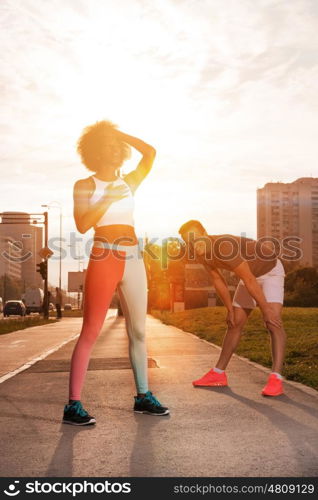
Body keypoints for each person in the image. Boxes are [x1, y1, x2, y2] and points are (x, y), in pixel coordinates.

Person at [63, 120, 169, 426]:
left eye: (115, 146)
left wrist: (118, 133)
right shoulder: (84, 185)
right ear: (94, 151)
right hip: (104, 255)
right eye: (105, 144)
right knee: (90, 332)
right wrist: (108, 197)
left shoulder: (130, 181)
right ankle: (73, 405)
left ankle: (143, 397)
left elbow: (149, 152)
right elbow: (83, 224)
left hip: (134, 257)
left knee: (138, 330)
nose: (112, 150)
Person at [178, 219, 286, 397]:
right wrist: (229, 309)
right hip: (249, 277)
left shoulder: (224, 247)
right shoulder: (200, 252)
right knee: (234, 323)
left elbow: (249, 278)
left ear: (205, 234)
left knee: (273, 322)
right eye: (188, 242)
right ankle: (218, 374)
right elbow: (217, 279)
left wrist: (265, 308)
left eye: (196, 239)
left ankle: (276, 378)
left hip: (270, 271)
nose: (193, 245)